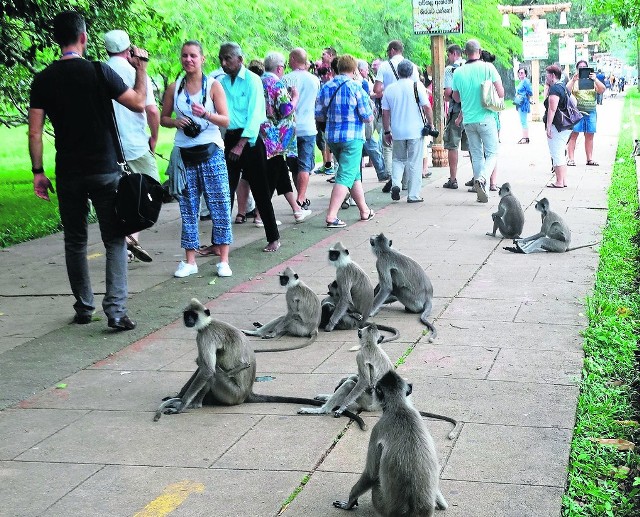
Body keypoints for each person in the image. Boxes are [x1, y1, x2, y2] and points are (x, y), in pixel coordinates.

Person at [28, 11, 149, 330]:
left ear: (57, 39)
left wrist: (38, 171)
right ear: (83, 38)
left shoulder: (43, 79)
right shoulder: (99, 72)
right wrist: (141, 68)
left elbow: (35, 132)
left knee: (75, 240)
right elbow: (138, 102)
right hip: (105, 169)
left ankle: (84, 307)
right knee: (115, 239)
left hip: (68, 171)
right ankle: (117, 311)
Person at [160, 41, 232, 278]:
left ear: (202, 59)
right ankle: (190, 260)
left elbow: (225, 120)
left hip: (211, 152)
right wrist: (175, 122)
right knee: (188, 207)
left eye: (193, 56)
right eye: (184, 56)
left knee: (219, 204)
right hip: (184, 154)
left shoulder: (213, 86)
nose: (188, 60)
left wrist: (206, 114)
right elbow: (163, 118)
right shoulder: (174, 87)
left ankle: (223, 260)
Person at [218, 42, 281, 253]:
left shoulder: (253, 80)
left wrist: (242, 144)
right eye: (221, 59)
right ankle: (219, 241)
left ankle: (273, 238)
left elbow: (256, 115)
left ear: (240, 59)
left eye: (228, 58)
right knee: (224, 191)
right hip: (230, 138)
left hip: (251, 142)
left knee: (261, 192)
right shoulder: (221, 82)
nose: (224, 63)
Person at [103, 29, 159, 264]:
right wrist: (154, 138)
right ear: (130, 49)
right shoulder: (136, 73)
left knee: (117, 195)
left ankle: (126, 240)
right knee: (151, 190)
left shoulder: (99, 71)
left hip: (109, 147)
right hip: (135, 144)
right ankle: (131, 236)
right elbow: (151, 110)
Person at [316, 54, 375, 228]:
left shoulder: (326, 87)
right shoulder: (356, 88)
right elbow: (367, 117)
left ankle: (364, 210)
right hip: (352, 137)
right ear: (354, 69)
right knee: (345, 175)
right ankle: (332, 216)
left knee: (353, 173)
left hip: (333, 137)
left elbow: (319, 114)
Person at [258, 51, 312, 224]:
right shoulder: (276, 83)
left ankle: (296, 210)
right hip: (276, 136)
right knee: (273, 173)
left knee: (279, 172)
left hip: (263, 133)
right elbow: (285, 110)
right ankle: (261, 215)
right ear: (280, 68)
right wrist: (294, 98)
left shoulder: (259, 81)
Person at [451, 39, 504, 203]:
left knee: (476, 154)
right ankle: (482, 178)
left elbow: (456, 97)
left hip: (468, 120)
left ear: (465, 53)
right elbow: (501, 93)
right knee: (492, 152)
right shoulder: (489, 68)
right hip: (487, 117)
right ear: (480, 51)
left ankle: (483, 192)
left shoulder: (458, 72)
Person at [381, 59, 433, 203]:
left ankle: (396, 184)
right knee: (414, 162)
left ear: (398, 72)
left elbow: (385, 113)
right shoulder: (418, 86)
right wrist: (431, 124)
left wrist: (387, 131)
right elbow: (427, 107)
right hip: (416, 131)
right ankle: (413, 195)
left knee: (398, 159)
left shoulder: (390, 89)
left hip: (397, 131)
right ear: (412, 72)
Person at [373, 40, 420, 191]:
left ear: (392, 50)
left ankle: (393, 179)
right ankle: (407, 184)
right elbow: (418, 90)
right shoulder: (412, 65)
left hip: (391, 109)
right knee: (411, 152)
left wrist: (385, 93)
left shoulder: (384, 66)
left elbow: (377, 89)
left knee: (391, 148)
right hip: (410, 112)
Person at [283, 47, 320, 210]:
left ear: (292, 59)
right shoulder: (314, 80)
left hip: (290, 128)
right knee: (305, 165)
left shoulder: (285, 80)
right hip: (308, 127)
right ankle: (301, 197)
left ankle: (300, 198)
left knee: (293, 165)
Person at [565, 60, 606, 167]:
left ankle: (589, 159)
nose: (582, 68)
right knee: (574, 134)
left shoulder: (593, 81)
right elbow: (566, 91)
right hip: (576, 112)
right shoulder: (574, 80)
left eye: (584, 67)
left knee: (590, 134)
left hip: (591, 111)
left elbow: (602, 90)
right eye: (580, 67)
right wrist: (573, 80)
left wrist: (595, 79)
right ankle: (571, 159)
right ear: (577, 69)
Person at [543, 64, 572, 189]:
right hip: (566, 125)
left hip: (557, 125)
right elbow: (574, 102)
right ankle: (563, 179)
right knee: (560, 151)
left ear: (552, 75)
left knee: (556, 152)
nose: (545, 78)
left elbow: (552, 109)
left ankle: (559, 181)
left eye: (547, 75)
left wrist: (548, 126)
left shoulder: (555, 89)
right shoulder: (564, 87)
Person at [441, 44, 466, 190]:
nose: (448, 57)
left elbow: (448, 92)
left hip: (456, 111)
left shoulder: (450, 70)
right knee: (473, 147)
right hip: (471, 111)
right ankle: (476, 179)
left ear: (453, 54)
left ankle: (453, 178)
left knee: (452, 145)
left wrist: (447, 96)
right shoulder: (469, 67)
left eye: (448, 54)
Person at [515, 67, 533, 144]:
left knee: (523, 120)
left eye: (522, 73)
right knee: (522, 120)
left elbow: (529, 92)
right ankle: (525, 137)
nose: (520, 74)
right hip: (519, 102)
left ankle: (525, 138)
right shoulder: (521, 82)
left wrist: (529, 100)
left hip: (523, 103)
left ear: (525, 74)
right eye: (519, 73)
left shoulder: (526, 81)